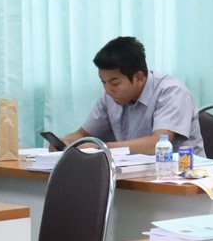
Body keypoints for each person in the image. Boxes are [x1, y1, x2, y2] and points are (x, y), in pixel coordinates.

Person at [62, 36, 198, 155]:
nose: (108, 90)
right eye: (103, 82)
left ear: (139, 78)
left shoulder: (171, 92)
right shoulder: (109, 98)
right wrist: (67, 142)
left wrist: (101, 148)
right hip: (136, 172)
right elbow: (82, 134)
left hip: (185, 172)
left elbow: (157, 143)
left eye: (114, 83)